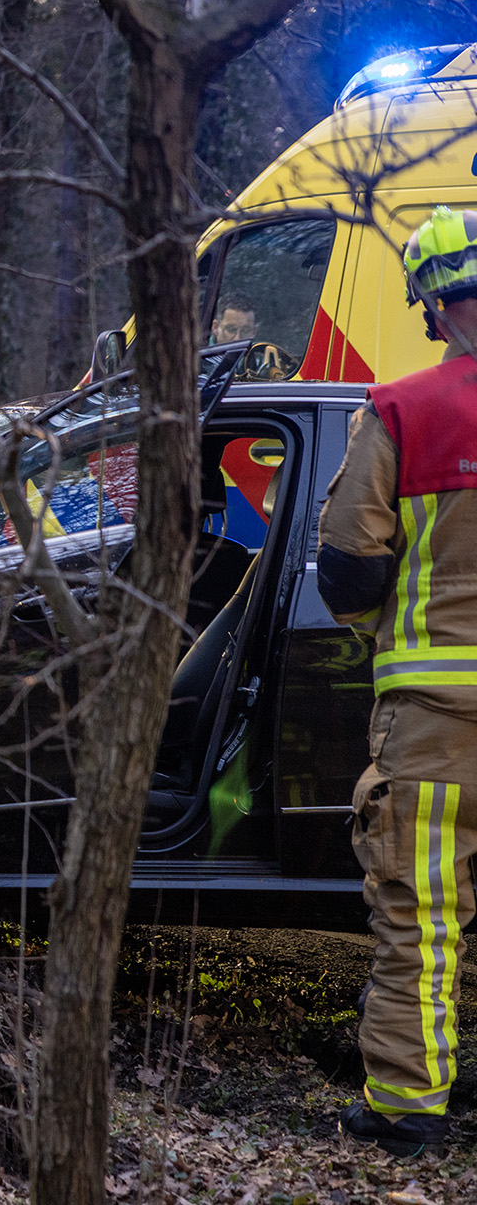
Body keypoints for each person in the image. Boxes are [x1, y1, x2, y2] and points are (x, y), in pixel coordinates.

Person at [320, 205, 477, 1157]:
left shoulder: (399, 412)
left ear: (429, 302)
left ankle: (409, 1109)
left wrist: (379, 632)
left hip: (432, 724)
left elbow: (348, 568)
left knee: (420, 920)